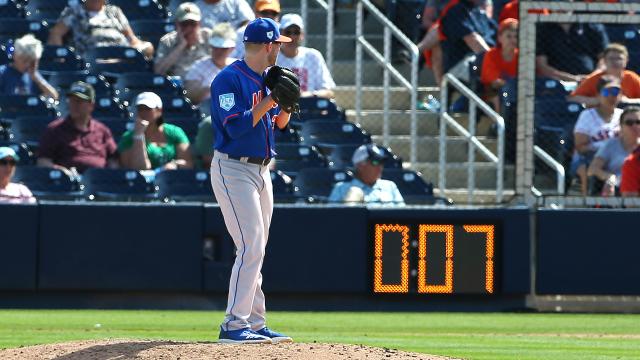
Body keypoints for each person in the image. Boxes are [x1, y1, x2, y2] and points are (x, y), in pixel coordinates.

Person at [210, 17, 294, 344]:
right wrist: (271, 99)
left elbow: (279, 123)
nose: (281, 51)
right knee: (251, 245)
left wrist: (285, 104)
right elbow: (236, 127)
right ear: (269, 45)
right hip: (233, 169)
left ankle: (256, 323)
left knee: (256, 248)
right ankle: (234, 324)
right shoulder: (228, 79)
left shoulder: (266, 78)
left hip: (262, 170)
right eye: (279, 45)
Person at [38, 81, 118, 174]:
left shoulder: (102, 131)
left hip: (98, 182)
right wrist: (61, 172)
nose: (74, 105)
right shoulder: (54, 130)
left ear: (91, 105)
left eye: (79, 102)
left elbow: (113, 161)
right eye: (71, 101)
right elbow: (43, 162)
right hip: (69, 183)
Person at [47, 0, 154, 58]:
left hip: (120, 59)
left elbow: (131, 39)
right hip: (91, 58)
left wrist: (141, 47)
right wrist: (60, 58)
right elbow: (56, 34)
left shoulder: (114, 12)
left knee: (148, 47)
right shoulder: (74, 12)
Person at [571, 76, 623, 195]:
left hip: (617, 157)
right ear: (599, 95)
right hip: (588, 157)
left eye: (615, 91)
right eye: (606, 92)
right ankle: (588, 202)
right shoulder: (587, 115)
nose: (611, 96)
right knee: (586, 167)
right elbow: (580, 147)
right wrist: (604, 149)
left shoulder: (624, 116)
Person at [119, 92, 193, 171]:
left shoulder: (175, 132)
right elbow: (140, 168)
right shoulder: (128, 137)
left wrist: (175, 165)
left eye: (148, 109)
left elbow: (188, 163)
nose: (144, 113)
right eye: (140, 109)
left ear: (159, 110)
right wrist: (138, 136)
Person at [276, 13, 336, 98]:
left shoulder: (313, 56)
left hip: (309, 106)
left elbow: (329, 92)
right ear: (280, 34)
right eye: (288, 32)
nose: (292, 37)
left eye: (296, 32)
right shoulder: (273, 56)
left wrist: (309, 95)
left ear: (302, 35)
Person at [588, 106, 640, 196]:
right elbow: (592, 169)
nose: (635, 126)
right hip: (616, 189)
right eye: (629, 123)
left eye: (638, 122)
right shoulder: (611, 144)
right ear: (621, 126)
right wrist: (609, 177)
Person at [328, 144, 405, 205]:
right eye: (375, 162)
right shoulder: (341, 189)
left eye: (381, 163)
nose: (380, 167)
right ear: (360, 166)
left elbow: (402, 217)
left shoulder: (390, 186)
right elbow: (333, 218)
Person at [568, 43, 640, 108]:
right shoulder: (595, 78)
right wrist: (598, 100)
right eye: (611, 58)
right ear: (604, 61)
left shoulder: (631, 77)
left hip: (630, 119)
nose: (615, 62)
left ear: (626, 61)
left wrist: (629, 101)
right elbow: (572, 98)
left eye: (619, 59)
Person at [439, 0, 496, 81]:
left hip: (482, 60)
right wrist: (495, 62)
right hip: (461, 65)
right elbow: (473, 40)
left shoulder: (478, 11)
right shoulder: (455, 9)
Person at [536, 21, 609, 82]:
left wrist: (591, 78)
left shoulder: (592, 26)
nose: (562, 6)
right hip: (556, 82)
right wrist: (573, 79)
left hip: (591, 81)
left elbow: (605, 59)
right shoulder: (542, 29)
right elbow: (542, 66)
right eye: (558, 3)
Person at [154, 2, 213, 78]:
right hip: (177, 87)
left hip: (203, 85)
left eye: (192, 23)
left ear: (199, 24)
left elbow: (219, 66)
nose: (188, 28)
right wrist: (180, 47)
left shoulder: (208, 37)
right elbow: (158, 71)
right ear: (177, 24)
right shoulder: (167, 41)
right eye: (184, 24)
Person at [184, 22, 237, 104]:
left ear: (232, 49)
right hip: (208, 111)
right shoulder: (198, 66)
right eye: (215, 47)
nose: (218, 52)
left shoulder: (239, 67)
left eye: (223, 48)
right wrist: (213, 87)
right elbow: (190, 96)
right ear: (211, 46)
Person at [0, 34, 58, 100]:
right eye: (25, 60)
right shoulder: (2, 73)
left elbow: (54, 97)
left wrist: (35, 77)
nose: (28, 64)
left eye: (31, 61)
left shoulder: (34, 75)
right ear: (15, 56)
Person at [480, 18, 518, 111]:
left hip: (516, 90)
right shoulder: (491, 54)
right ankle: (500, 122)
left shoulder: (521, 56)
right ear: (500, 38)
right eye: (508, 36)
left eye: (515, 36)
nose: (513, 40)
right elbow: (494, 82)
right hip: (494, 91)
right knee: (498, 94)